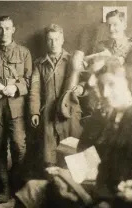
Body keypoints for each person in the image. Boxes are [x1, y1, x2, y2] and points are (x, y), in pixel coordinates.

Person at [15, 57, 132, 208]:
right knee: (33, 189)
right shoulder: (110, 117)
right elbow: (94, 156)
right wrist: (65, 172)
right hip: (102, 190)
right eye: (101, 87)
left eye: (112, 84)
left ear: (127, 82)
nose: (106, 93)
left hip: (118, 199)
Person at [0, 16, 32, 201]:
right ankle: (4, 188)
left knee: (19, 147)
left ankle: (16, 185)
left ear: (13, 30)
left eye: (7, 28)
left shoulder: (24, 52)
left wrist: (16, 88)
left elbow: (28, 79)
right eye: (0, 29)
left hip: (16, 106)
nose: (3, 32)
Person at [29, 24, 83, 167]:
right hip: (49, 113)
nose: (54, 43)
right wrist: (34, 112)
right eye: (50, 40)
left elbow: (85, 82)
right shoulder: (39, 64)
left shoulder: (73, 60)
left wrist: (81, 89)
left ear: (62, 39)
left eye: (57, 39)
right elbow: (34, 90)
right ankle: (53, 184)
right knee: (50, 154)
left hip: (70, 113)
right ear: (46, 41)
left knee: (71, 153)